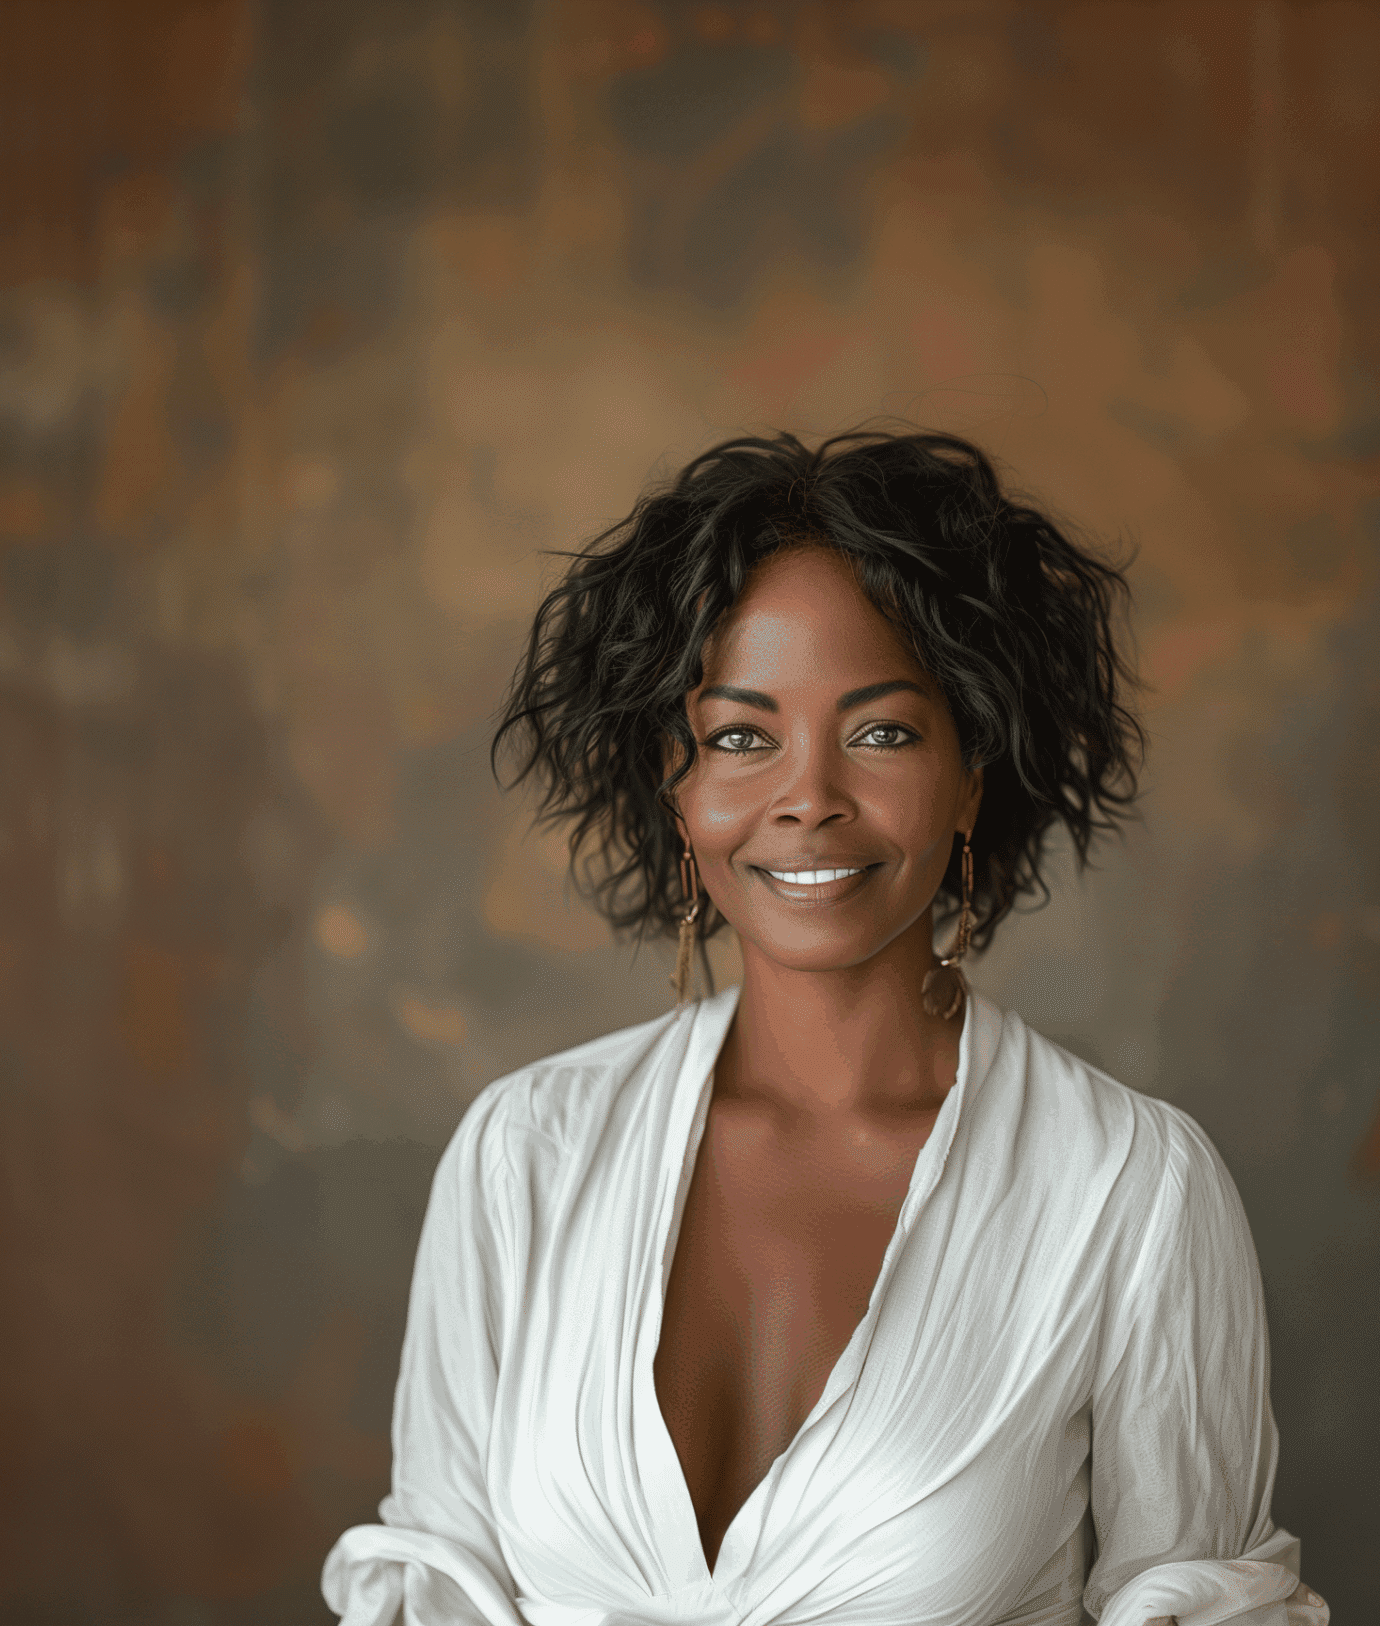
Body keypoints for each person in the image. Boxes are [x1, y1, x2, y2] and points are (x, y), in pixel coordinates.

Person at [321, 429, 1326, 1626]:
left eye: (883, 730)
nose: (807, 795)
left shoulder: (1130, 1192)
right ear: (675, 787)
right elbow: (438, 1590)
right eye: (741, 736)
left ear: (971, 774)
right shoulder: (524, 1155)